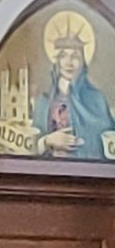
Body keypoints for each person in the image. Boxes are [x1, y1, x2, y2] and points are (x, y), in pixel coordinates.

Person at [33, 24, 115, 160]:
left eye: (75, 56)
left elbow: (108, 142)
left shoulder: (96, 100)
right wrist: (47, 141)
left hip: (86, 171)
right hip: (48, 170)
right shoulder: (44, 101)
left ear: (83, 62)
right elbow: (30, 145)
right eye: (63, 56)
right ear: (57, 61)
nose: (69, 62)